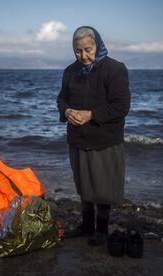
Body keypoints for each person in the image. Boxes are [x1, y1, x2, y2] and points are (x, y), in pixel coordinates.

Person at [57, 26, 130, 246]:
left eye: (88, 49)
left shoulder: (115, 69)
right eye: (78, 51)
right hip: (78, 138)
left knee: (102, 186)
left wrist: (91, 115)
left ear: (97, 44)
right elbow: (61, 100)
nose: (83, 56)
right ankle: (86, 225)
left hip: (105, 138)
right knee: (84, 185)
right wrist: (67, 111)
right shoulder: (70, 71)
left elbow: (121, 106)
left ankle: (102, 229)